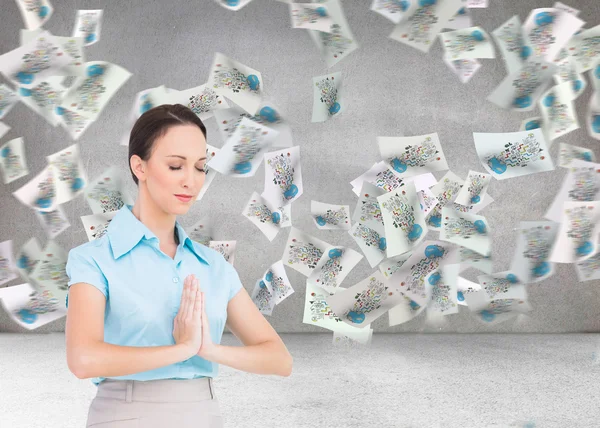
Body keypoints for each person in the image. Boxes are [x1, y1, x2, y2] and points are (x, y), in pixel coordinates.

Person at [65, 104, 293, 427]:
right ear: (139, 167)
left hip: (204, 414)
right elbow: (83, 359)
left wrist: (209, 349)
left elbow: (279, 359)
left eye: (200, 167)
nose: (191, 181)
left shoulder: (214, 265)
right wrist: (182, 349)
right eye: (175, 166)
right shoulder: (93, 260)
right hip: (124, 415)